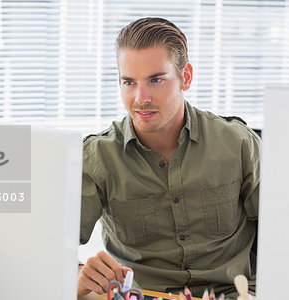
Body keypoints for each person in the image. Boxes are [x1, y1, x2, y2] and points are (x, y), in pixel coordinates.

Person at [78, 17, 260, 299]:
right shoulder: (97, 157)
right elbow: (46, 247)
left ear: (185, 77)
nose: (140, 97)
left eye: (156, 80)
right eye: (129, 82)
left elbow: (279, 236)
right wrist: (78, 273)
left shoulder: (238, 143)